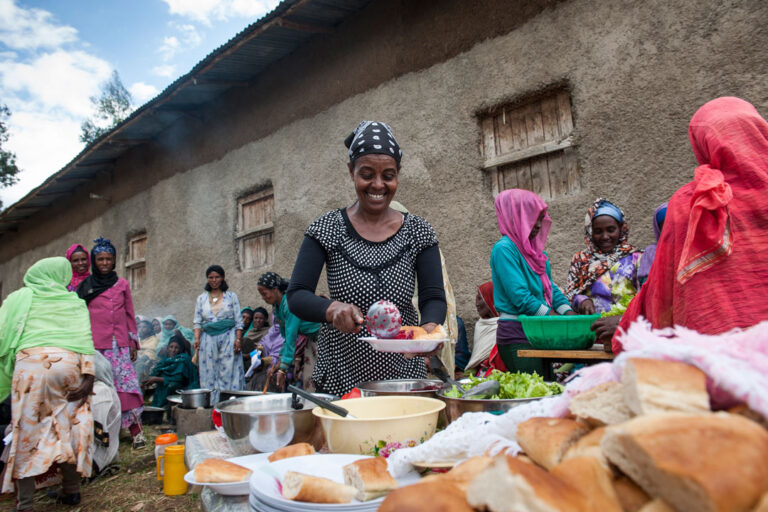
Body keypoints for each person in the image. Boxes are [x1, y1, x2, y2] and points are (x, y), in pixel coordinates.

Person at [287, 121, 447, 396]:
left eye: (388, 175)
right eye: (366, 174)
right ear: (351, 172)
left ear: (398, 175)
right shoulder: (325, 229)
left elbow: (433, 296)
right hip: (342, 373)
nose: (378, 185)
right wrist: (332, 309)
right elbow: (297, 294)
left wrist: (429, 331)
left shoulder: (419, 231)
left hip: (403, 375)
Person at [614, 97, 768, 352]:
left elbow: (662, 293)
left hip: (722, 362)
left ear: (703, 145)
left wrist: (627, 328)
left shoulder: (695, 204)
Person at [0, 257, 95, 510]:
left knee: (28, 434)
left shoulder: (18, 299)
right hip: (68, 366)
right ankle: (72, 491)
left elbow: (3, 332)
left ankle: (26, 503)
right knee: (69, 426)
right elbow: (85, 340)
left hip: (30, 369)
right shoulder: (73, 302)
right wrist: (89, 376)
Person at [490, 189, 575, 374]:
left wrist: (568, 313)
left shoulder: (536, 253)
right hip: (518, 334)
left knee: (548, 387)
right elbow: (519, 296)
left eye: (541, 218)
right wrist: (552, 317)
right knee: (533, 393)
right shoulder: (504, 250)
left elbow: (550, 289)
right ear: (515, 216)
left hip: (540, 332)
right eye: (532, 217)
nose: (538, 225)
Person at [77, 237, 145, 450]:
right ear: (93, 261)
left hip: (119, 345)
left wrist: (133, 342)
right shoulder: (85, 287)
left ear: (114, 261)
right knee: (102, 388)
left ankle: (136, 431)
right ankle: (105, 433)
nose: (105, 263)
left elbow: (129, 314)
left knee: (126, 385)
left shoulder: (122, 284)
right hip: (95, 346)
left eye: (109, 259)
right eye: (100, 259)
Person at [258, 272, 321, 391]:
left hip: (323, 338)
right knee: (309, 378)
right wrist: (280, 361)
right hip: (311, 339)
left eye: (264, 294)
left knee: (318, 378)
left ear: (275, 289)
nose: (263, 298)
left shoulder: (289, 304)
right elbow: (285, 337)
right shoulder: (278, 308)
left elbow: (292, 337)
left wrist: (283, 368)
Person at [193, 265, 244, 403]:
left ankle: (228, 403)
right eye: (211, 277)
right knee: (209, 371)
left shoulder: (231, 297)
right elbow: (197, 322)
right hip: (208, 339)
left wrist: (238, 339)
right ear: (207, 279)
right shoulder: (201, 299)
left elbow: (239, 321)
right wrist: (197, 339)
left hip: (228, 336)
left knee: (228, 370)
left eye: (217, 277)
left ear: (222, 278)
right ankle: (212, 405)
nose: (214, 280)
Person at [143, 332, 199, 407]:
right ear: (168, 347)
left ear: (180, 349)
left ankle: (169, 405)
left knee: (171, 385)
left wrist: (156, 379)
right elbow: (156, 372)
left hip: (181, 387)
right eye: (171, 347)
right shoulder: (165, 360)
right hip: (165, 385)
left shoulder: (183, 359)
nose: (173, 350)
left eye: (176, 348)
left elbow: (178, 378)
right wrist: (147, 381)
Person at [245, 312, 286, 392]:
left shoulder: (288, 333)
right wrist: (259, 351)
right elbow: (263, 343)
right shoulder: (272, 331)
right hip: (263, 368)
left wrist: (264, 361)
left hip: (279, 370)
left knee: (263, 381)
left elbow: (283, 356)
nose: (277, 321)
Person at [464, 281, 500, 372]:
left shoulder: (503, 328)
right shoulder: (481, 324)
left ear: (490, 299)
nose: (476, 303)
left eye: (480, 298)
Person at [637, 202, 668, 287]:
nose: (671, 231)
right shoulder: (652, 252)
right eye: (666, 227)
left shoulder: (689, 251)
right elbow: (646, 285)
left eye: (674, 226)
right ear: (659, 229)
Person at [133, 317, 160, 385]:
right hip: (137, 359)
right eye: (139, 327)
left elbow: (151, 352)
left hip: (149, 360)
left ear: (150, 329)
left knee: (140, 365)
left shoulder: (154, 339)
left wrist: (141, 358)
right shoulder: (138, 339)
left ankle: (137, 386)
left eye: (144, 327)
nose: (141, 329)